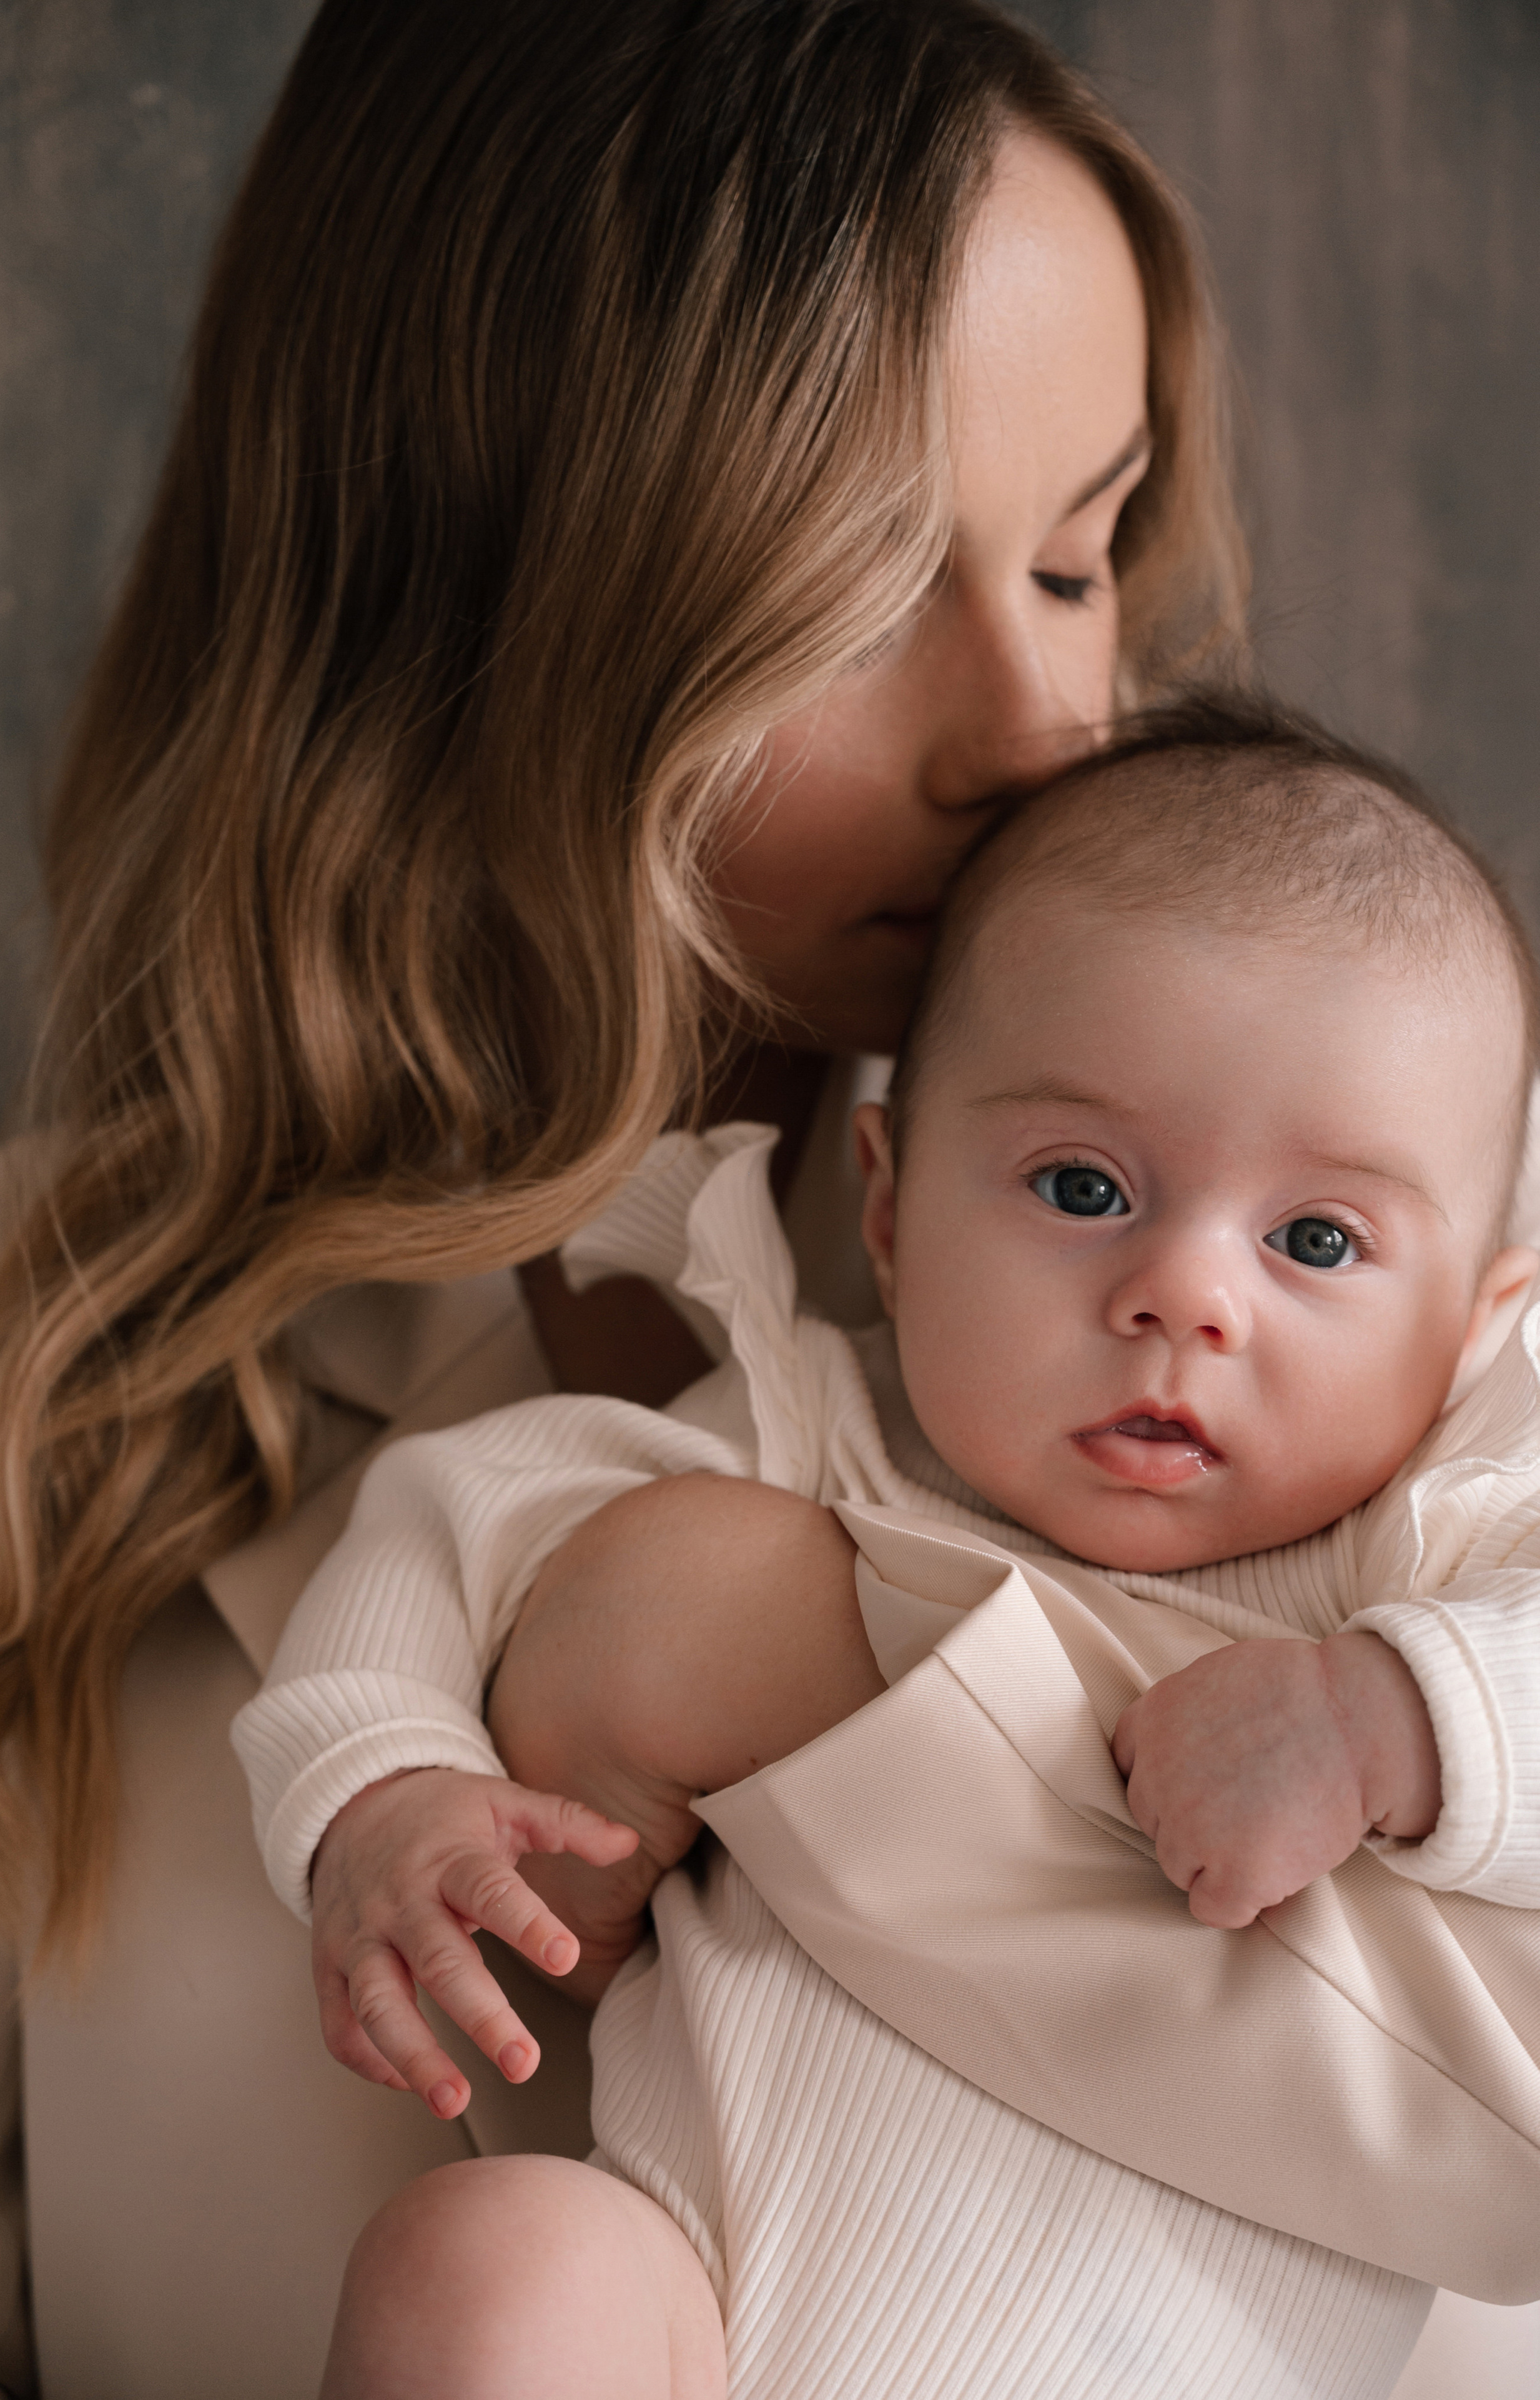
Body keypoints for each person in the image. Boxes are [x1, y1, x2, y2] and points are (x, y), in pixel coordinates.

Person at [0, 4, 1255, 2393]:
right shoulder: (4, 1371)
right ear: (466, 600)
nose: (1046, 736)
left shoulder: (1329, 1290)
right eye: (858, 598)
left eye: (1080, 560)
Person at [237, 706, 1540, 2399]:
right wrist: (380, 1787)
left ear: (1477, 1325)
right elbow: (450, 1525)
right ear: (889, 1199)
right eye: (1082, 1186)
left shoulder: (1439, 1543)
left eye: (1315, 1238)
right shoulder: (809, 1427)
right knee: (490, 2259)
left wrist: (1397, 1713)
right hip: (691, 2330)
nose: (1186, 1296)